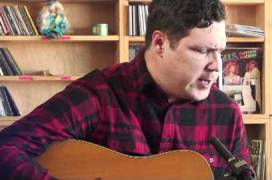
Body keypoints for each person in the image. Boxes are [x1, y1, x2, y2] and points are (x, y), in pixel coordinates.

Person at [0, 0, 252, 179]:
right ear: (160, 43)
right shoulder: (99, 94)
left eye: (220, 51)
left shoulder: (226, 113)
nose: (216, 66)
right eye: (203, 50)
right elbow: (6, 147)